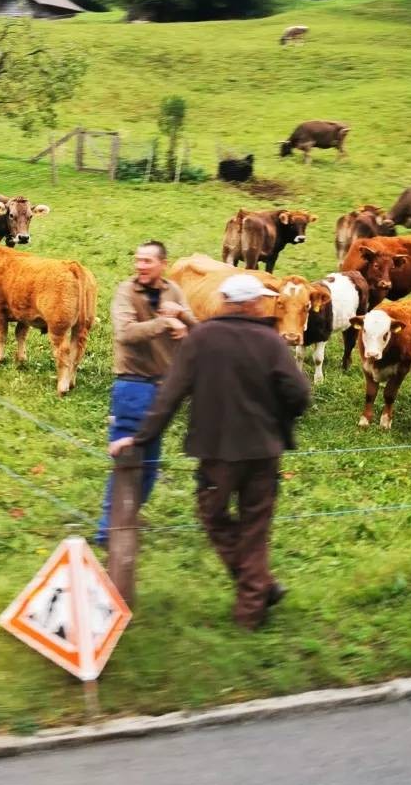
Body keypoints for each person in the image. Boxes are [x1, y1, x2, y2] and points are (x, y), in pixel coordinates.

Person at [109, 273, 310, 629]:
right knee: (255, 527)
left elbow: (170, 395)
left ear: (227, 302)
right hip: (263, 452)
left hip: (216, 453)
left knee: (213, 516)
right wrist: (278, 422)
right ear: (249, 303)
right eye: (261, 299)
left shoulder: (202, 338)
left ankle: (255, 592)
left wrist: (139, 438)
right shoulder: (271, 342)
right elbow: (299, 395)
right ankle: (255, 598)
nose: (264, 304)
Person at [96, 240, 196, 547]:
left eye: (147, 261)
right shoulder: (127, 291)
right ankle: (106, 531)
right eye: (137, 260)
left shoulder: (174, 292)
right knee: (127, 461)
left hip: (163, 388)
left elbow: (198, 328)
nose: (140, 266)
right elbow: (125, 333)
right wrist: (164, 322)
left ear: (163, 264)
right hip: (132, 385)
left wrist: (183, 319)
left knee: (150, 466)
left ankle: (125, 519)